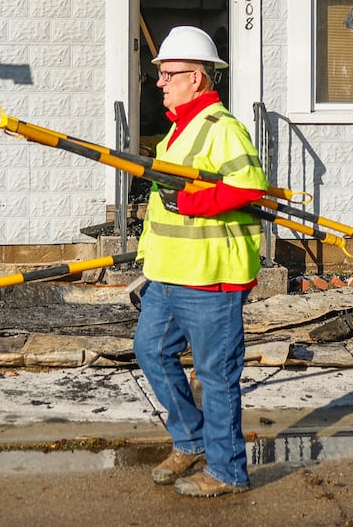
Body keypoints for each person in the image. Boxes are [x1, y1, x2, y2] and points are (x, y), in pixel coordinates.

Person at [135, 25, 268, 497]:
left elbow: (249, 187)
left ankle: (228, 471)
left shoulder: (221, 128)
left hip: (211, 278)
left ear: (197, 77)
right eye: (161, 74)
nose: (160, 82)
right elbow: (164, 206)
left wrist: (192, 202)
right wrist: (147, 260)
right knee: (151, 352)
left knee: (216, 377)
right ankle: (190, 441)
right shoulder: (177, 132)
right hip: (168, 276)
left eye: (168, 74)